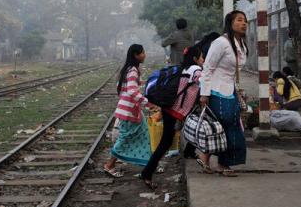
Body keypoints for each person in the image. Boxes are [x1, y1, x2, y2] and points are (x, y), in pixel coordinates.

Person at [140, 46, 205, 188]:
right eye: (201, 57)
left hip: (170, 107)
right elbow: (205, 85)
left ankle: (188, 151)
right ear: (195, 59)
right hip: (176, 109)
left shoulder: (184, 68)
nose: (203, 60)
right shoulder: (196, 70)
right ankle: (147, 173)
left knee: (170, 139)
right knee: (166, 141)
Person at [198, 10, 248, 176]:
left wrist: (238, 90)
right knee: (225, 126)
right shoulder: (221, 42)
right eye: (239, 20)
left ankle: (209, 160)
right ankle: (222, 164)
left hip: (230, 91)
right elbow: (208, 68)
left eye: (245, 21)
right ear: (230, 23)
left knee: (227, 126)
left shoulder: (240, 44)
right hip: (216, 91)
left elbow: (235, 71)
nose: (244, 23)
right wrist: (204, 94)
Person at [104, 44, 158, 178]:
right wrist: (148, 103)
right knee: (125, 138)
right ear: (136, 55)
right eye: (143, 53)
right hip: (129, 111)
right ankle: (109, 165)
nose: (145, 55)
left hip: (129, 109)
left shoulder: (127, 69)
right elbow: (132, 90)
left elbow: (123, 87)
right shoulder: (133, 70)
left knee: (144, 135)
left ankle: (148, 164)